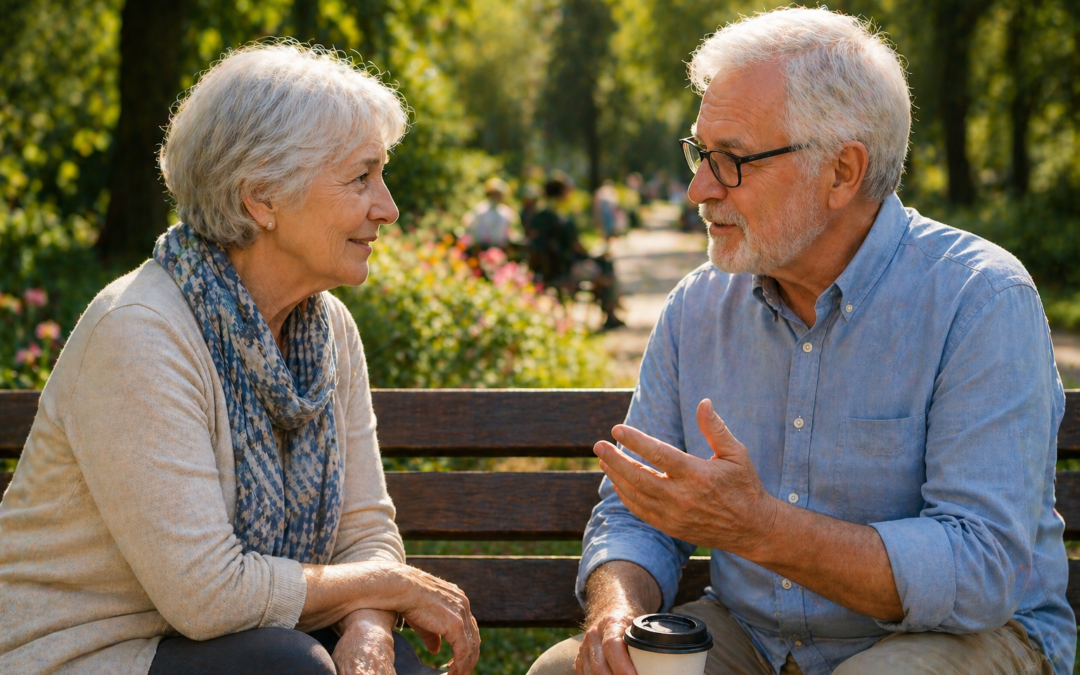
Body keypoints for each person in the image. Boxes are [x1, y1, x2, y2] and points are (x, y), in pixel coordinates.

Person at [528, 8, 1074, 675]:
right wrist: (616, 608)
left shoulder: (980, 299)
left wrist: (760, 527)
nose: (700, 187)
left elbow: (980, 573)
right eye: (700, 153)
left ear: (842, 172)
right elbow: (638, 514)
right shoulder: (698, 306)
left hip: (963, 636)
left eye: (730, 161)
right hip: (755, 635)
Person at [0, 43, 480, 675]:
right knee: (291, 667)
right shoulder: (140, 333)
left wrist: (367, 623)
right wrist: (388, 587)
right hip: (82, 652)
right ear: (262, 199)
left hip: (234, 642)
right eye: (361, 177)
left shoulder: (327, 328)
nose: (387, 207)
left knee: (379, 666)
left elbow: (364, 530)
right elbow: (208, 594)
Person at [526, 178, 623, 330]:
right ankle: (610, 311)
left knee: (602, 266)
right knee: (604, 268)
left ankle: (611, 308)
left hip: (545, 270)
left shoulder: (537, 217)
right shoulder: (563, 220)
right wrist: (591, 256)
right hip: (566, 269)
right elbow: (577, 248)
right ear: (562, 194)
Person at [462, 177, 519, 251]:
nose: (497, 196)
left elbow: (513, 231)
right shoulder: (481, 208)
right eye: (495, 194)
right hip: (481, 248)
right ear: (489, 194)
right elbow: (468, 224)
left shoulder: (506, 212)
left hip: (500, 249)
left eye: (499, 194)